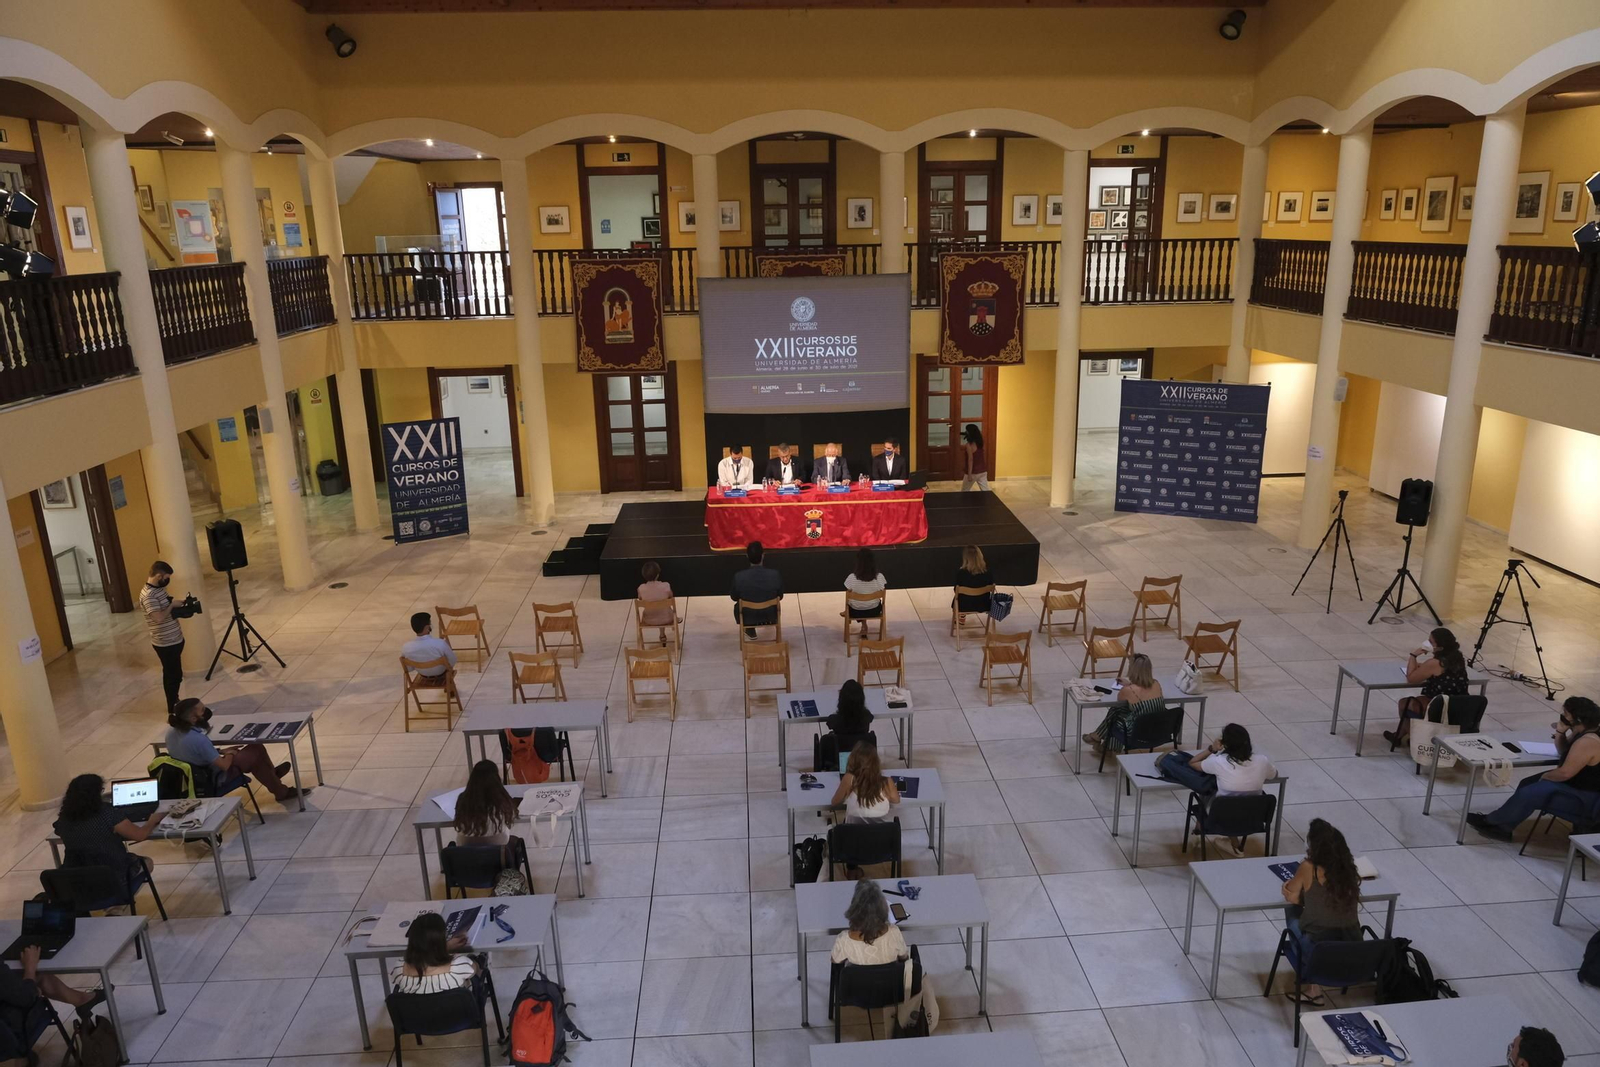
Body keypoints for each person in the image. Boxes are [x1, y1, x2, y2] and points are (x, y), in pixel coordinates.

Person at [1468, 696, 1600, 842]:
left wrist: (1545, 778)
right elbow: (1563, 751)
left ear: (1578, 720)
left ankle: (1492, 821)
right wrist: (1560, 732)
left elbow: (1564, 773)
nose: (1562, 718)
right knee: (1527, 782)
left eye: (1565, 716)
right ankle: (1504, 826)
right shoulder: (1583, 732)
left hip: (1586, 798)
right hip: (1576, 785)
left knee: (1530, 792)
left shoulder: (1588, 742)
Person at [829, 879, 939, 1034]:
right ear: (883, 909)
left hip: (857, 993)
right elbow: (904, 957)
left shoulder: (844, 940)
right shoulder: (894, 933)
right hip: (892, 992)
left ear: (853, 909)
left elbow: (835, 960)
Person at [1279, 818, 1363, 1006]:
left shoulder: (1309, 868)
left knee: (1292, 911)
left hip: (1319, 953)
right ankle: (1313, 986)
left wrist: (1288, 887)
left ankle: (1313, 989)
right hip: (1353, 951)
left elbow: (1291, 896)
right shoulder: (1348, 869)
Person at [166, 697, 308, 803]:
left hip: (194, 776)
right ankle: (280, 789)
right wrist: (229, 753)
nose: (207, 712)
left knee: (255, 752)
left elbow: (195, 753)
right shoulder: (198, 739)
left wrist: (220, 751)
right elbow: (224, 765)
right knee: (256, 749)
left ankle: (272, 776)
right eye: (203, 711)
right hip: (213, 777)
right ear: (192, 717)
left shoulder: (171, 733)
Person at [53, 774, 167, 884]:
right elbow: (139, 835)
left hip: (80, 880)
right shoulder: (107, 813)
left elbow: (60, 831)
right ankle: (123, 895)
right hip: (114, 876)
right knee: (147, 862)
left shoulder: (63, 819)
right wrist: (152, 821)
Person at [1383, 626, 1468, 746]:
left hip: (1440, 706)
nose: (1428, 643)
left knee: (1404, 703)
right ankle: (1398, 735)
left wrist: (1413, 655)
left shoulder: (1434, 663)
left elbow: (1411, 679)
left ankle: (1416, 739)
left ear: (1440, 647)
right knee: (1416, 701)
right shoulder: (1458, 659)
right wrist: (1424, 667)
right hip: (1458, 705)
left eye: (1431, 642)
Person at [0, 945, 107, 1037]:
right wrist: (30, 967)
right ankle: (21, 1055)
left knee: (32, 978)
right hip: (8, 1030)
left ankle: (81, 999)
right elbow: (26, 997)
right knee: (33, 981)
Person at [1156, 723, 1275, 797]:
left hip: (1221, 817)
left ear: (1225, 744)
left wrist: (1212, 749)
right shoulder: (1262, 761)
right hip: (1252, 819)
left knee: (1210, 788)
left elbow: (1192, 763)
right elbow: (1274, 775)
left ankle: (1201, 826)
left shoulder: (1219, 761)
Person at [1084, 653, 1165, 753]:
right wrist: (1130, 684)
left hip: (1137, 732)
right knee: (1120, 712)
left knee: (1116, 712)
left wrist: (1128, 687)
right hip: (1158, 729)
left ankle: (1100, 739)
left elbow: (1120, 703)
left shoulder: (1128, 691)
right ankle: (1105, 745)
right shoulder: (1156, 684)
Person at [141, 560, 191, 713]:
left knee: (175, 674)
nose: (167, 580)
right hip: (165, 643)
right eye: (166, 577)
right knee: (172, 676)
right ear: (158, 576)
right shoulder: (149, 596)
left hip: (174, 639)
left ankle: (175, 700)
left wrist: (179, 605)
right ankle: (172, 707)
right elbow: (158, 618)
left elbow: (165, 609)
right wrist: (172, 606)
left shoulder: (158, 590)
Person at [388, 911, 478, 995]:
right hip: (453, 1011)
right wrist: (445, 948)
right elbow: (474, 969)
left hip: (417, 1011)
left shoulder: (399, 969)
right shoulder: (459, 965)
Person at [831, 741, 900, 825]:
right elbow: (896, 800)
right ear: (876, 762)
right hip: (880, 836)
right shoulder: (886, 782)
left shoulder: (849, 779)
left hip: (853, 836)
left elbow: (834, 802)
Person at [455, 759, 519, 846]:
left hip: (467, 853)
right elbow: (512, 817)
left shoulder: (463, 800)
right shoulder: (502, 801)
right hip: (499, 851)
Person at [731, 541, 783, 638]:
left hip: (748, 617)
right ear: (763, 556)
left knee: (739, 605)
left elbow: (734, 597)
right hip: (770, 616)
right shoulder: (775, 575)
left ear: (747, 556)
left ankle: (749, 628)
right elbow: (780, 596)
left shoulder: (739, 577)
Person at [843, 547, 887, 634]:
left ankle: (862, 625)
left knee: (855, 603)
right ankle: (864, 625)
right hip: (874, 611)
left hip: (855, 612)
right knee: (868, 602)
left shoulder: (852, 577)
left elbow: (848, 590)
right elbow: (883, 589)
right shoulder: (879, 577)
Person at [402, 611, 457, 678]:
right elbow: (452, 661)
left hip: (423, 675)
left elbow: (409, 669)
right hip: (441, 674)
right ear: (427, 627)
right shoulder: (440, 643)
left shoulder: (406, 647)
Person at [953, 545, 992, 614]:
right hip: (984, 605)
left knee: (958, 599)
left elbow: (956, 590)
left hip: (963, 606)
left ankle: (960, 617)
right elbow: (991, 586)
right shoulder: (987, 573)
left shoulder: (961, 573)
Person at [637, 560, 675, 626]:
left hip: (648, 620)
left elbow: (640, 599)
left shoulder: (641, 588)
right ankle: (662, 634)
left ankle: (662, 635)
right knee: (664, 606)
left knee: (658, 607)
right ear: (657, 574)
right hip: (667, 618)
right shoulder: (665, 586)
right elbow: (671, 597)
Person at [960, 424, 990, 491]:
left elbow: (970, 459)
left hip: (973, 472)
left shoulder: (969, 445)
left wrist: (969, 474)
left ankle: (965, 501)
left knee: (965, 490)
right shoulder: (980, 443)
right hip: (982, 471)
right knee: (985, 490)